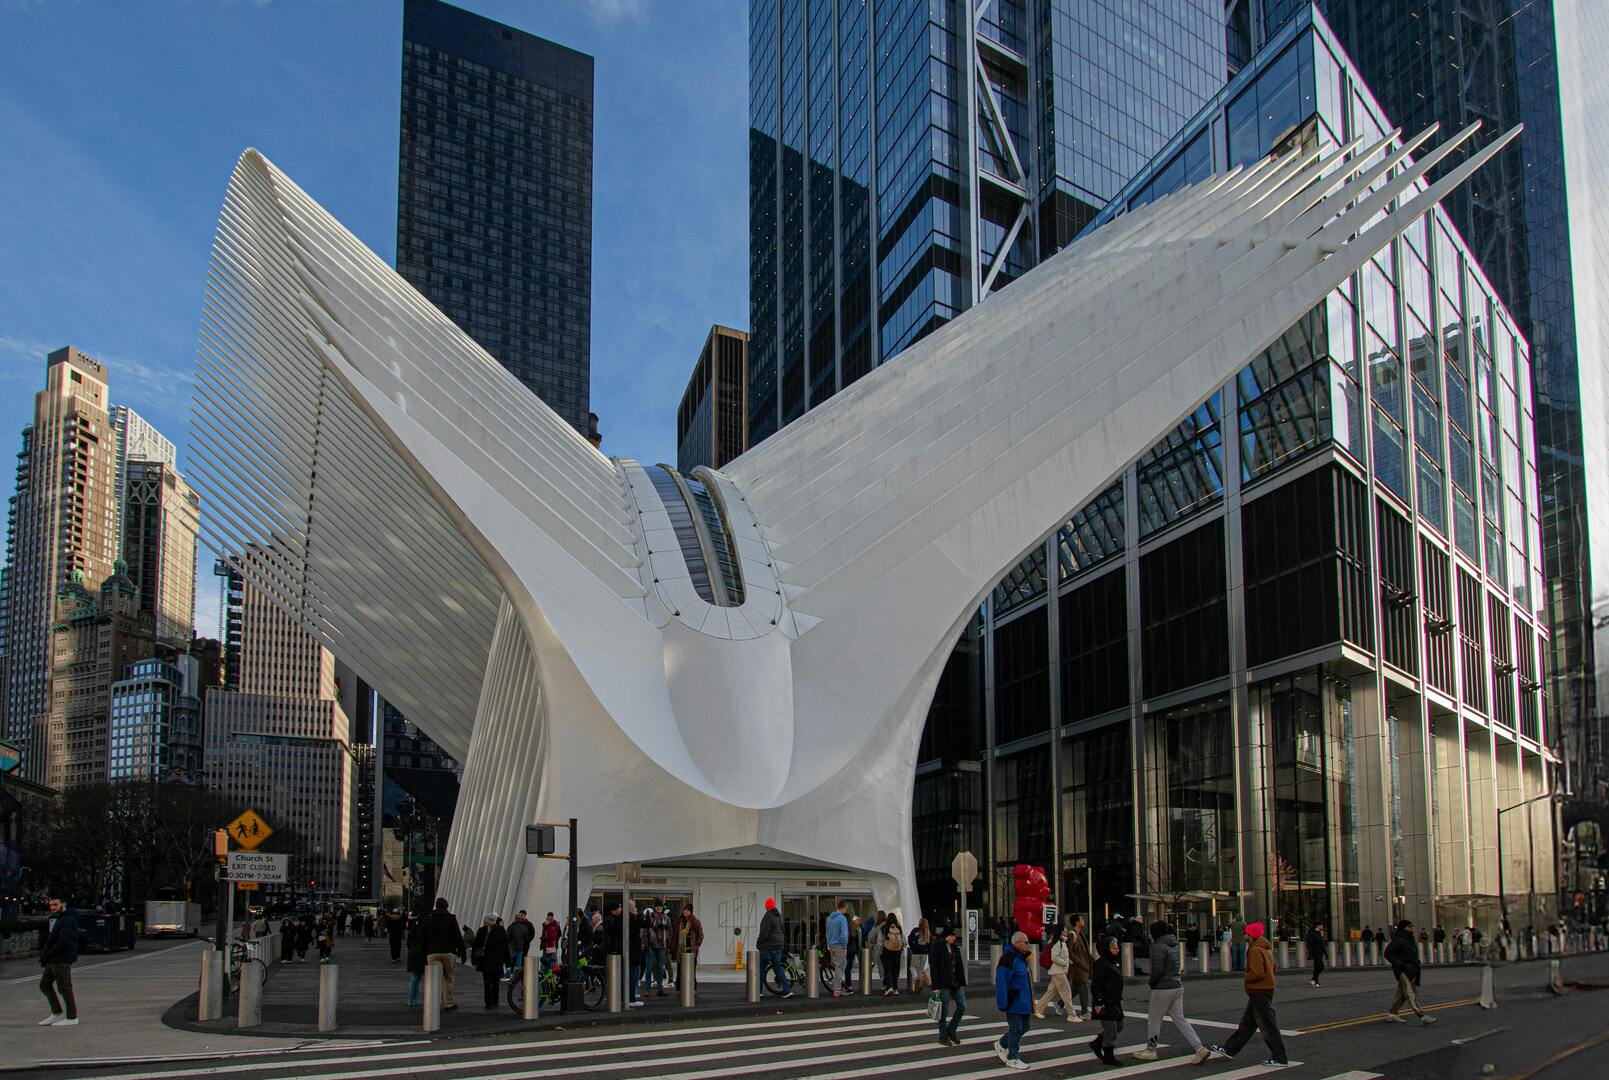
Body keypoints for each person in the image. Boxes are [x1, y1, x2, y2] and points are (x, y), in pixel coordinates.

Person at [1208, 920, 1289, 1067]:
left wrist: (1247, 976)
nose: (1245, 934)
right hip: (1264, 989)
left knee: (1267, 1026)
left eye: (1247, 933)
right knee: (1248, 1024)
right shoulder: (1266, 948)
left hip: (1259, 990)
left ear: (1251, 935)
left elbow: (1257, 972)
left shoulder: (1255, 950)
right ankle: (1229, 1048)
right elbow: (1273, 968)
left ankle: (1280, 1057)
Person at [1134, 921, 1209, 1063]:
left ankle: (1151, 1049)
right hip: (1177, 985)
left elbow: (1158, 969)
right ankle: (1199, 1048)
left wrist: (1152, 982)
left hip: (1163, 987)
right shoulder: (1173, 944)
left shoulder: (1157, 946)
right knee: (1180, 1019)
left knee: (1154, 1019)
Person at [1384, 918, 1436, 1025]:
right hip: (1404, 970)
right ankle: (1421, 1015)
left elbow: (1409, 953)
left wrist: (1415, 961)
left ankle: (1392, 1014)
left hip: (1411, 969)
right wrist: (1400, 964)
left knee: (1402, 993)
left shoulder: (1408, 939)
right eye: (1410, 926)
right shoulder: (1398, 940)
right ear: (1404, 928)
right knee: (1410, 993)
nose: (1412, 928)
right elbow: (1388, 953)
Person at [994, 930, 1034, 1070]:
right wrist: (1003, 1002)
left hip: (1024, 1000)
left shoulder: (1022, 958)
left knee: (1025, 1027)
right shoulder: (1008, 958)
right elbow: (1002, 981)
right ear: (1017, 943)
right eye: (1026, 942)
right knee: (1016, 1028)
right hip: (1014, 1000)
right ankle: (1013, 1057)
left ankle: (1002, 1044)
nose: (1028, 945)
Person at [37, 898, 80, 1027]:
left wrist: (49, 953)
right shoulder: (63, 918)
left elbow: (64, 941)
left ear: (64, 904)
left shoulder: (67, 920)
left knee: (65, 988)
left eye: (56, 905)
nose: (53, 908)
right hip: (54, 959)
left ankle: (72, 1017)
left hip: (61, 960)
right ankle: (56, 1013)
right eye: (51, 905)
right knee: (44, 985)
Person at [424, 897, 466, 1011]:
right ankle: (449, 1003)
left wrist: (424, 952)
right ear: (446, 906)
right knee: (448, 978)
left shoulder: (430, 918)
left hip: (433, 952)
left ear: (436, 906)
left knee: (434, 978)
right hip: (449, 951)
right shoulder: (451, 919)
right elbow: (457, 936)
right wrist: (462, 951)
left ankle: (434, 1002)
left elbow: (424, 936)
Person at [1088, 934, 1124, 1067]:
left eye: (1117, 948)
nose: (1117, 950)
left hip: (1115, 1000)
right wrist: (1098, 1001)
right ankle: (1108, 1057)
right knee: (1111, 1029)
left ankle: (1097, 1043)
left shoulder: (1114, 962)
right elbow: (1096, 985)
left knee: (1119, 1026)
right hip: (1105, 1001)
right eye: (1113, 948)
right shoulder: (1100, 964)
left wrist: (1120, 998)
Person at [930, 923, 968, 1046]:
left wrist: (962, 981)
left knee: (962, 1006)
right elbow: (934, 968)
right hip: (944, 983)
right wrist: (935, 986)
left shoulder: (955, 949)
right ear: (946, 936)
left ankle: (951, 1030)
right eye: (951, 935)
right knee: (944, 1011)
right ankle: (943, 1035)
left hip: (956, 982)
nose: (953, 938)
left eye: (954, 935)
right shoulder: (937, 948)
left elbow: (959, 967)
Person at [1032, 923, 1074, 1020]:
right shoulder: (1058, 942)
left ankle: (1038, 1009)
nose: (1067, 931)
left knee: (1050, 992)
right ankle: (1072, 1015)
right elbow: (1054, 957)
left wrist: (1067, 961)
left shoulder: (1060, 941)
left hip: (1057, 970)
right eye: (1065, 930)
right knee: (1066, 992)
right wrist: (1065, 962)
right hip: (1058, 970)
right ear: (1061, 931)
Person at [472, 913, 510, 1010]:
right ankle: (495, 1001)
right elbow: (505, 947)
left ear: (487, 921)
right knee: (496, 981)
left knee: (487, 982)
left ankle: (488, 1003)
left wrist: (474, 959)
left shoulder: (481, 931)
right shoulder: (501, 931)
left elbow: (476, 945)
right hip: (497, 960)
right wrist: (508, 961)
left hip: (486, 960)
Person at [756, 897, 792, 997]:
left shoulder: (767, 916)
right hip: (779, 946)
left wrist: (758, 943)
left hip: (767, 946)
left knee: (761, 968)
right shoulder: (779, 916)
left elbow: (764, 933)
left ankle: (758, 992)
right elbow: (783, 930)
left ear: (766, 906)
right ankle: (787, 990)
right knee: (778, 968)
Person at [1067, 915, 1093, 1022]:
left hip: (1083, 965)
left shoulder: (1080, 934)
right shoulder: (1072, 934)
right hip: (1078, 966)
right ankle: (1084, 1012)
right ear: (1077, 922)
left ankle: (1060, 1003)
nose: (1083, 921)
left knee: (1076, 989)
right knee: (1083, 986)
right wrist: (1078, 961)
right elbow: (1069, 950)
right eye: (1082, 919)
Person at [826, 900, 850, 997]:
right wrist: (844, 946)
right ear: (843, 908)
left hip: (831, 945)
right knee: (841, 966)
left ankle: (835, 985)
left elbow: (827, 933)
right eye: (846, 909)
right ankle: (837, 990)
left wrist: (829, 945)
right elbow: (844, 934)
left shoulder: (829, 918)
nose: (845, 911)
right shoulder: (842, 918)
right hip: (839, 945)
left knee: (837, 966)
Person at [676, 903, 703, 991]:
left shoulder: (695, 922)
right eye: (685, 910)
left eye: (688, 910)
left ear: (691, 912)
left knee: (691, 971)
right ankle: (680, 988)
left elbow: (701, 935)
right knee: (680, 970)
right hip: (681, 950)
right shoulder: (680, 921)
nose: (686, 912)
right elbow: (675, 935)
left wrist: (696, 946)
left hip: (691, 950)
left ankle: (692, 988)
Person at [642, 906, 669, 996]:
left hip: (661, 946)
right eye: (657, 906)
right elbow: (645, 932)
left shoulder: (666, 917)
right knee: (649, 969)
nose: (658, 908)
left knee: (661, 969)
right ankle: (647, 989)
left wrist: (667, 945)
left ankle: (660, 989)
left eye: (660, 906)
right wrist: (646, 945)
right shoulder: (649, 917)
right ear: (654, 907)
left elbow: (670, 931)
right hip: (651, 946)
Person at [626, 903, 646, 1007]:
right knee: (633, 974)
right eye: (634, 908)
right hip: (634, 951)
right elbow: (645, 924)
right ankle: (631, 998)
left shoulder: (624, 918)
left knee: (632, 973)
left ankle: (630, 996)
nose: (636, 910)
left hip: (630, 950)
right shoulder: (634, 919)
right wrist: (639, 915)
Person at [880, 913, 904, 995]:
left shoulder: (884, 928)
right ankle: (895, 988)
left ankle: (889, 987)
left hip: (887, 951)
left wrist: (880, 951)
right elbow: (903, 940)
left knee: (888, 969)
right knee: (895, 970)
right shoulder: (899, 928)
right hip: (897, 951)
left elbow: (880, 941)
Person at [507, 910, 535, 977]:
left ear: (525, 915)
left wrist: (527, 941)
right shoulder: (523, 927)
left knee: (517, 960)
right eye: (520, 915)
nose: (521, 916)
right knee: (517, 962)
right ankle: (517, 975)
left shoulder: (529, 924)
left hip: (521, 946)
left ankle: (513, 975)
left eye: (522, 915)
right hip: (520, 946)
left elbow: (532, 934)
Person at [406, 917, 427, 1006]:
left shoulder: (414, 925)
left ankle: (412, 999)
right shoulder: (428, 924)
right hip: (425, 954)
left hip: (414, 953)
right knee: (429, 978)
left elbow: (408, 941)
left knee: (415, 977)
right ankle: (430, 999)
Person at [909, 918, 932, 991]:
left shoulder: (915, 930)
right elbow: (929, 944)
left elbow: (910, 939)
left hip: (916, 952)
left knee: (912, 967)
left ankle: (916, 979)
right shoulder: (928, 932)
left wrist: (913, 947)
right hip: (925, 953)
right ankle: (919, 986)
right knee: (920, 969)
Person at [1306, 922, 1327, 987]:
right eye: (1321, 926)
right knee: (1320, 966)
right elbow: (1309, 945)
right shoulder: (1312, 934)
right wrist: (1310, 954)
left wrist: (1325, 953)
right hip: (1315, 953)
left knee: (1317, 967)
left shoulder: (1319, 934)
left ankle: (1315, 981)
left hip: (1319, 953)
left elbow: (1322, 945)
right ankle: (1314, 980)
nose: (1322, 927)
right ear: (1318, 926)